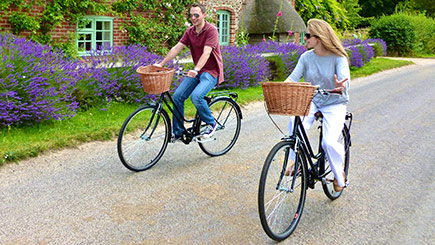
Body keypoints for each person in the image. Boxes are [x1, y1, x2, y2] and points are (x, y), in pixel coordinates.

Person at [284, 19, 350, 192]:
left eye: (307, 36)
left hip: (334, 103)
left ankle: (338, 173)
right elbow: (293, 78)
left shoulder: (338, 57)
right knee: (294, 122)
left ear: (318, 38)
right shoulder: (306, 57)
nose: (304, 39)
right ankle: (296, 161)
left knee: (329, 142)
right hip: (312, 99)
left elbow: (345, 81)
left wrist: (341, 86)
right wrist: (282, 87)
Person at [155, 3, 224, 142]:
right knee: (178, 96)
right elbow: (176, 48)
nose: (193, 18)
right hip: (198, 71)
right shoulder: (190, 31)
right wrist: (161, 64)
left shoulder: (211, 31)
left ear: (204, 15)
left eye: (196, 15)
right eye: (191, 15)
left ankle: (211, 123)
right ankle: (178, 133)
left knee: (196, 96)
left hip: (211, 72)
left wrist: (196, 69)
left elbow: (206, 53)